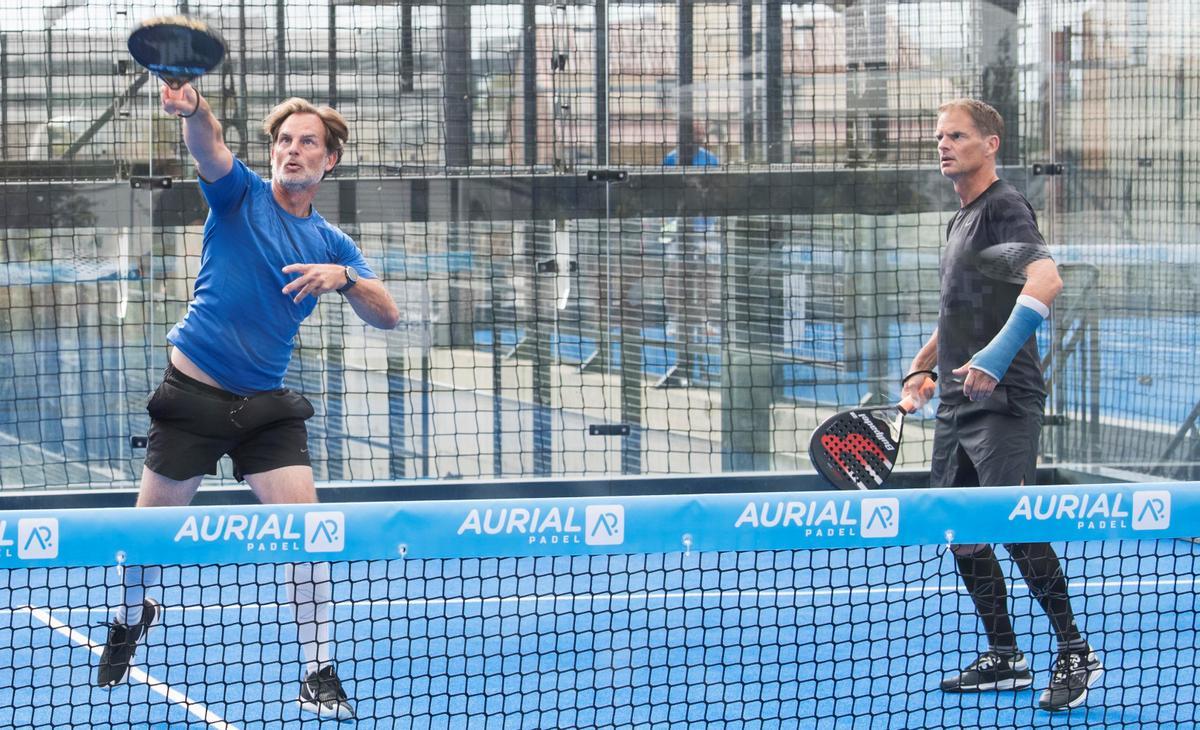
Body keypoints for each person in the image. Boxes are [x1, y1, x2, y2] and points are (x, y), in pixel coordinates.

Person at [94, 82, 400, 721]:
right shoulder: (239, 196)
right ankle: (131, 615)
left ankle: (317, 670)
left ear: (328, 160)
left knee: (308, 535)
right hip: (193, 397)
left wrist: (344, 279)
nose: (293, 151)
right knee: (146, 541)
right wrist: (195, 109)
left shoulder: (333, 245)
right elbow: (209, 149)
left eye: (307, 143)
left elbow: (389, 315)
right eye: (284, 141)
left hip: (264, 406)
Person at [901, 99, 1102, 712]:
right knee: (963, 533)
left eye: (957, 135)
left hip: (1004, 398)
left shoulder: (1003, 208)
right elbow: (955, 310)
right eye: (938, 136)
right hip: (958, 403)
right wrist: (922, 366)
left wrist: (991, 358)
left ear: (990, 144)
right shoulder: (959, 219)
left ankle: (1075, 651)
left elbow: (1047, 281)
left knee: (1015, 525)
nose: (943, 144)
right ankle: (1006, 656)